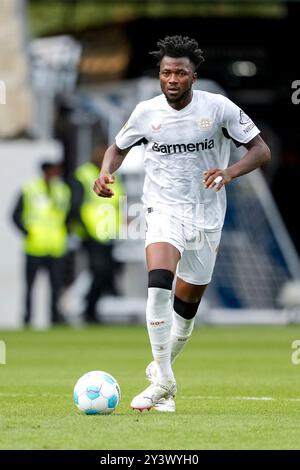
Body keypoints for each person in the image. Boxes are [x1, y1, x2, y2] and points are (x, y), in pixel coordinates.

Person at [93, 35, 271, 412]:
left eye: (180, 73)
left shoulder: (218, 108)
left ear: (193, 76)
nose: (171, 79)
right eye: (165, 72)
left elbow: (260, 149)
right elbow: (118, 147)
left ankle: (161, 381)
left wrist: (229, 172)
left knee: (186, 311)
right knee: (158, 284)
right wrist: (106, 172)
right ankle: (165, 379)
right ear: (159, 75)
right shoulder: (146, 112)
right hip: (162, 210)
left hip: (206, 216)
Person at [69, 150, 125, 323]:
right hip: (91, 233)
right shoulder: (83, 175)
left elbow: (118, 202)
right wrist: (81, 229)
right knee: (99, 271)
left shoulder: (115, 177)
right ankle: (90, 309)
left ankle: (93, 307)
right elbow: (76, 204)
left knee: (106, 271)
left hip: (108, 233)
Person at [12, 161, 71, 326]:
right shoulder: (30, 189)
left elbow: (67, 215)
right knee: (30, 287)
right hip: (34, 246)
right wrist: (28, 232)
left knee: (55, 287)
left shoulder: (63, 191)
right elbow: (15, 215)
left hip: (56, 247)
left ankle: (55, 319)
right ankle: (27, 319)